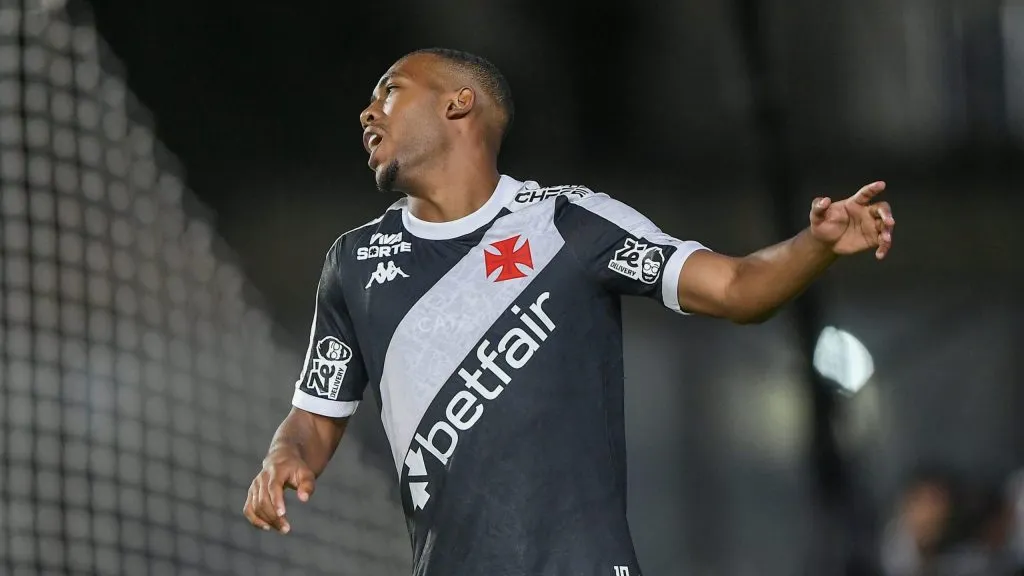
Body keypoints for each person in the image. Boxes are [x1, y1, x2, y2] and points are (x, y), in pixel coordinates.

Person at [242, 47, 896, 576]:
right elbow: (312, 420)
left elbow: (735, 289)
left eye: (389, 90)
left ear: (457, 102)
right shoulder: (354, 264)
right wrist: (284, 458)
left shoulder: (570, 225)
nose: (367, 111)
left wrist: (816, 245)